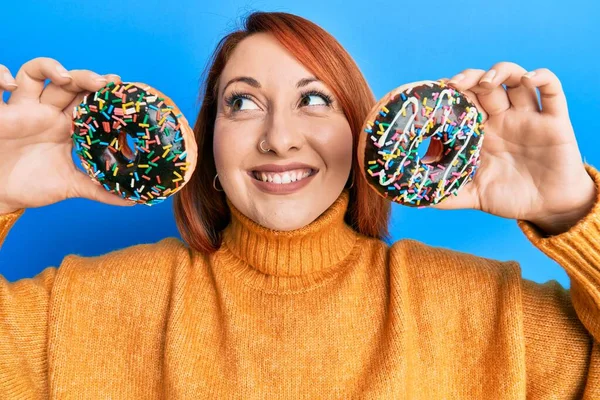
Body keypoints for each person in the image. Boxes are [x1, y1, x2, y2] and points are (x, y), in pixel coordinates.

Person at [0, 11, 598, 399]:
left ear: (364, 134)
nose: (279, 137)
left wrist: (572, 210)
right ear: (205, 142)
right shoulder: (76, 313)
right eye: (241, 103)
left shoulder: (493, 314)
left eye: (314, 99)